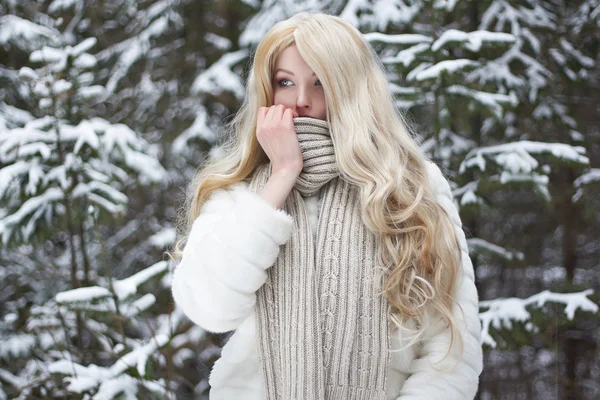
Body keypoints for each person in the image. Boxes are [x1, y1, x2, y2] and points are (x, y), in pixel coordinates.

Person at [170, 11, 483, 400]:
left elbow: (450, 347)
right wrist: (282, 175)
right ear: (267, 91)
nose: (302, 101)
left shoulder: (411, 187)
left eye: (320, 83)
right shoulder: (241, 191)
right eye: (286, 82)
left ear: (352, 88)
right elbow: (209, 308)